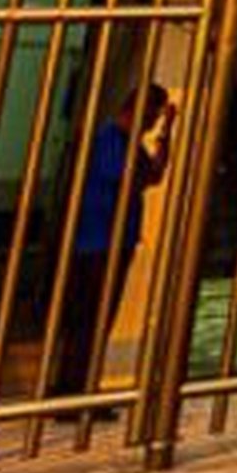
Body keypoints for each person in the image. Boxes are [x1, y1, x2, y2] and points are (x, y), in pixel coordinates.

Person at [53, 84, 172, 394]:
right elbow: (132, 177)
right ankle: (71, 389)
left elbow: (154, 175)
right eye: (153, 116)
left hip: (113, 241)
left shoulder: (127, 142)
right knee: (88, 320)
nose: (152, 123)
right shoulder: (108, 139)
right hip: (96, 242)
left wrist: (167, 134)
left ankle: (79, 387)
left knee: (97, 319)